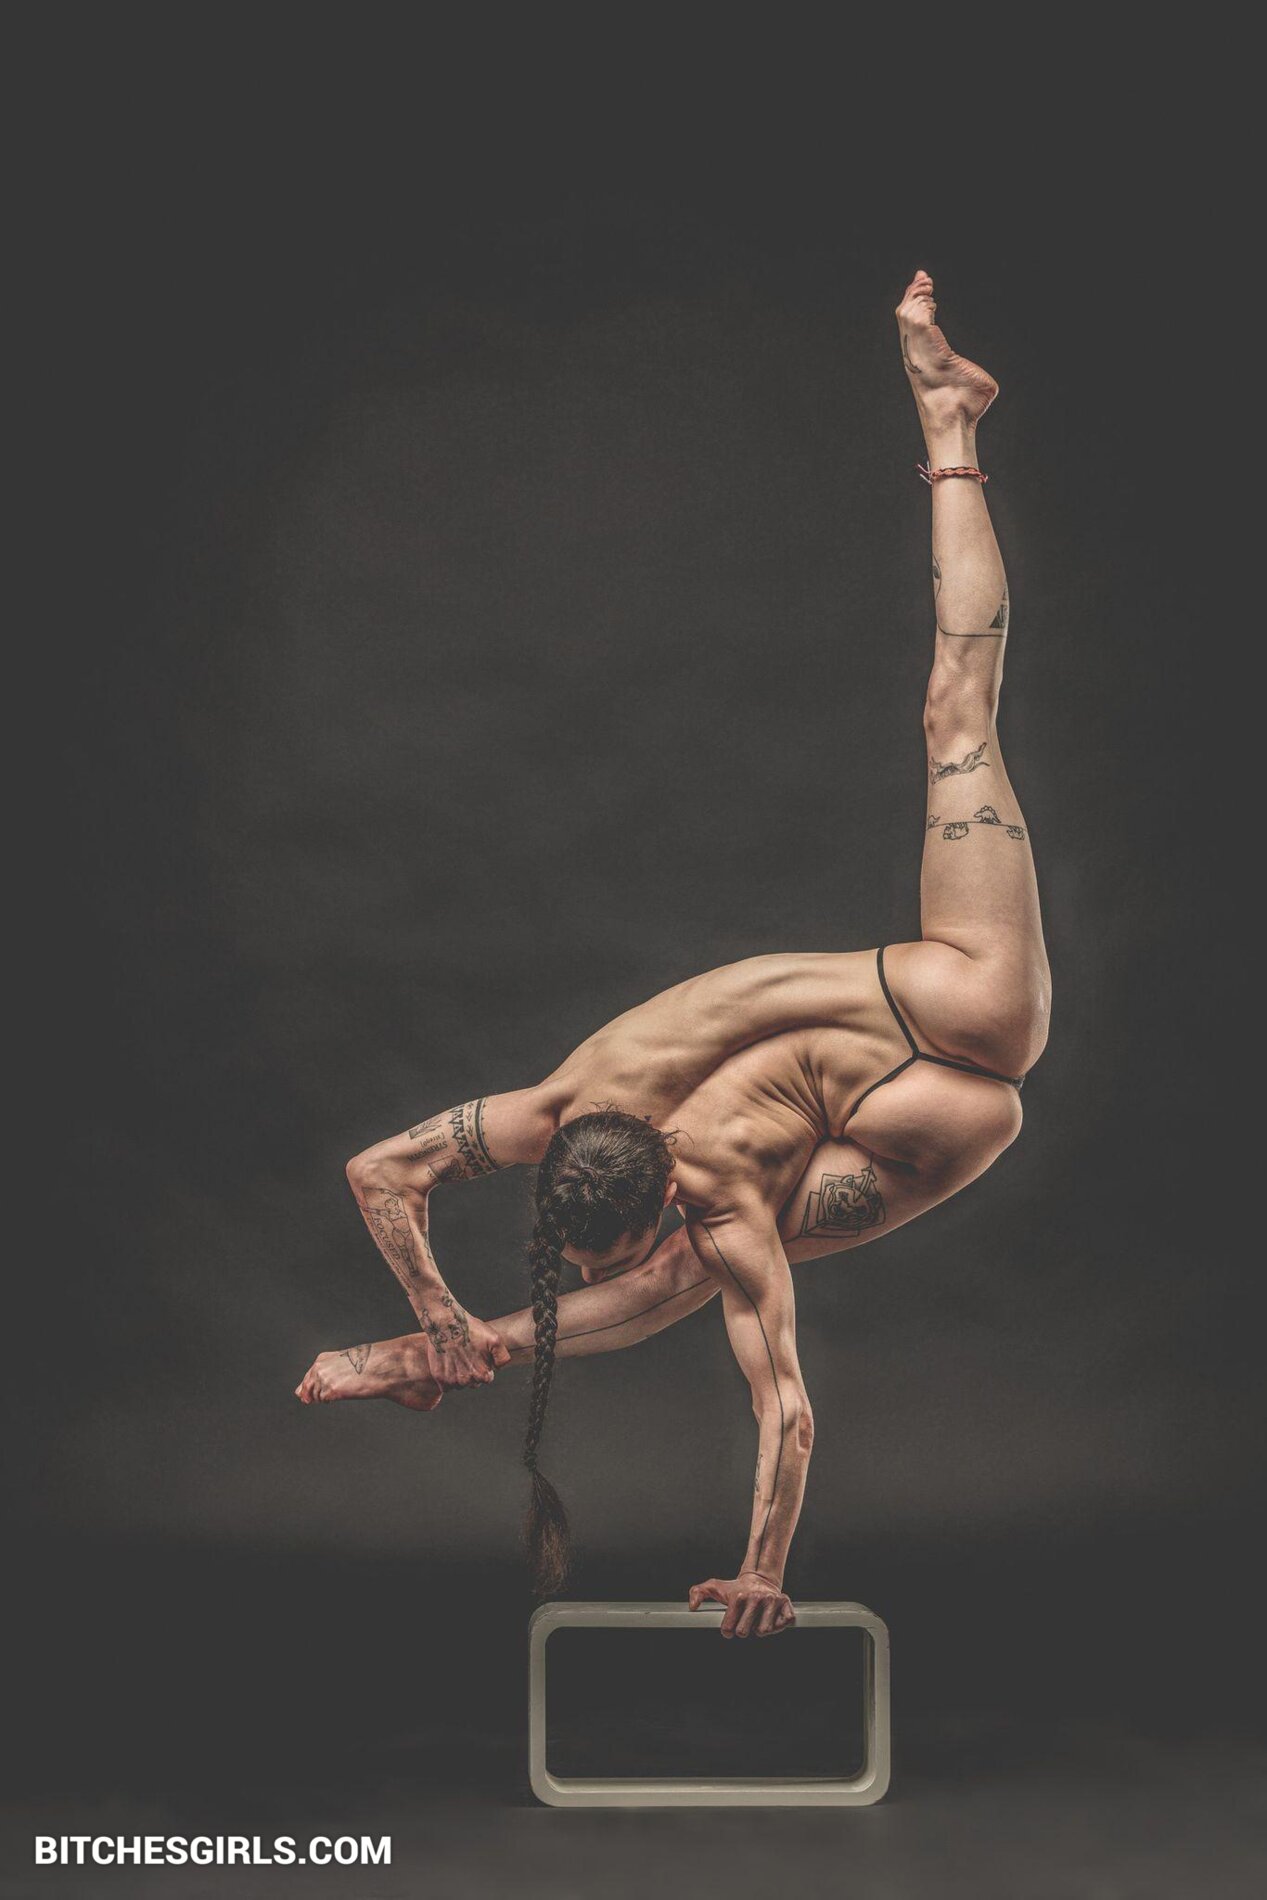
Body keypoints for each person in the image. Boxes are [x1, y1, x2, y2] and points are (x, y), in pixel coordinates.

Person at [297, 271, 1051, 1640]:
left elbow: (785, 1402)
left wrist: (765, 1568)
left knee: (958, 708)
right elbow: (379, 1172)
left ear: (655, 1191)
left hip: (958, 1037)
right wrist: (443, 1314)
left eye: (612, 1251)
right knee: (956, 717)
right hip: (909, 1049)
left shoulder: (712, 1197)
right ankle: (444, 1353)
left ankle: (951, 422)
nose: (607, 1270)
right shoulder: (565, 1105)